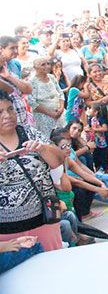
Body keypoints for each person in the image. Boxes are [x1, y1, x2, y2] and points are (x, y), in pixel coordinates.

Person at [0, 90, 64, 252]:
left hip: (44, 219)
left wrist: (42, 148)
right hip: (7, 233)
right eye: (0, 112)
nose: (7, 115)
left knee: (53, 265)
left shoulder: (29, 132)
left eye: (10, 109)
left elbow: (58, 160)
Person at [28, 58, 65, 138]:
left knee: (61, 137)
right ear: (35, 67)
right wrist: (50, 113)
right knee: (48, 138)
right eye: (43, 65)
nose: (47, 66)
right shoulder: (32, 82)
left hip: (58, 113)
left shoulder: (51, 77)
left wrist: (61, 108)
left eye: (48, 64)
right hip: (44, 117)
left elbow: (60, 93)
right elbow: (32, 102)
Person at [0, 37, 32, 125]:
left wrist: (9, 77)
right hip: (6, 122)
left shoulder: (14, 64)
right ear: (1, 49)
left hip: (21, 117)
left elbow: (28, 89)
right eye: (11, 48)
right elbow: (9, 89)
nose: (15, 51)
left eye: (16, 47)